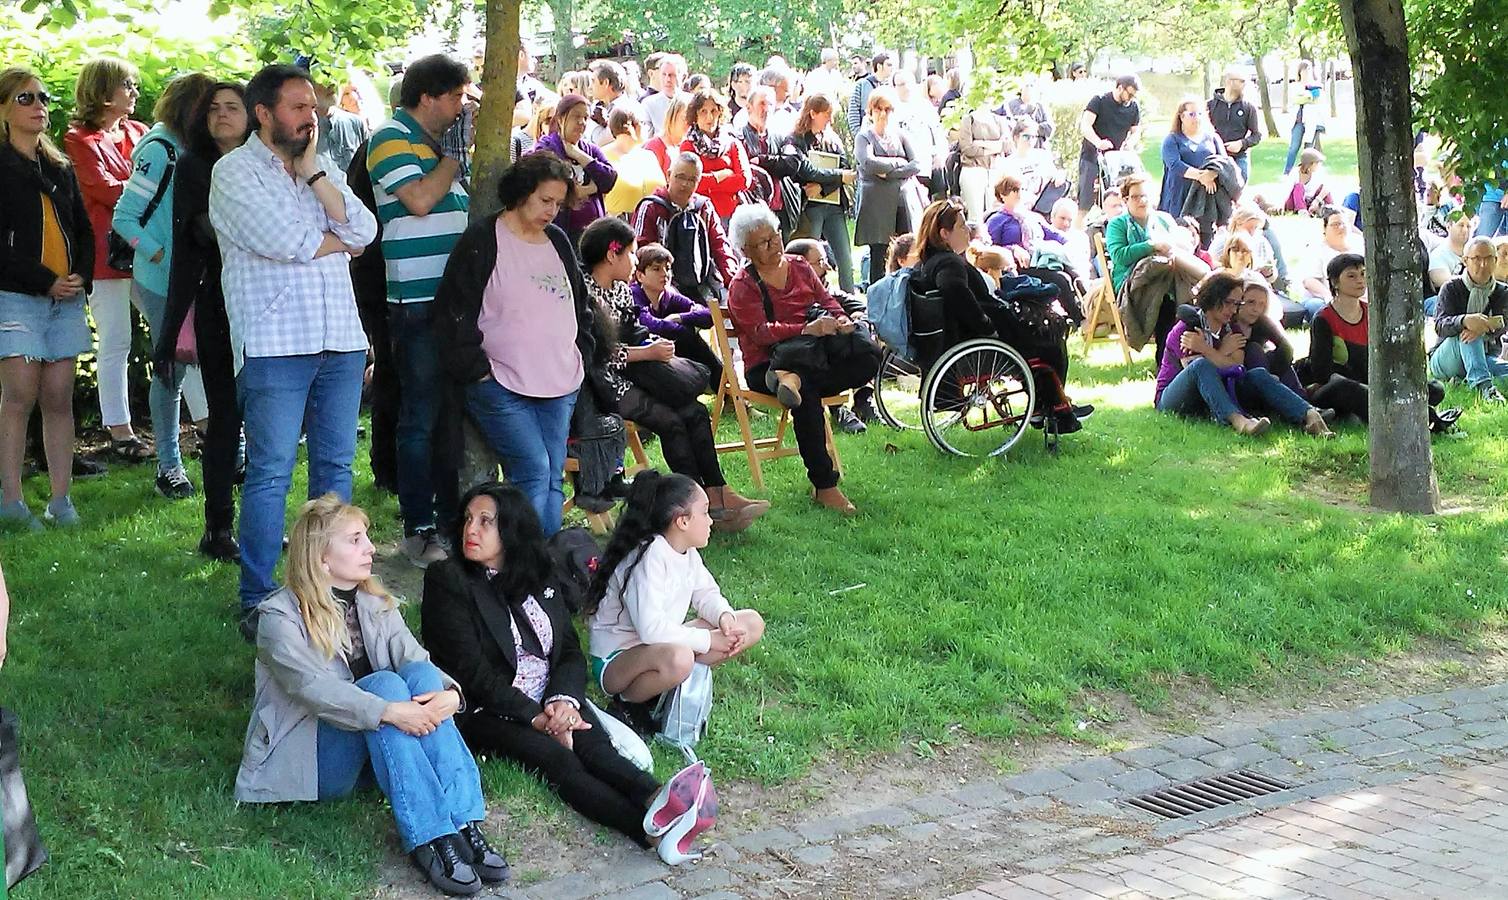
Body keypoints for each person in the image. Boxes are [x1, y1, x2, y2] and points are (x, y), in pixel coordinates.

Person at [420, 482, 715, 865]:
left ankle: (661, 801)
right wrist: (539, 718)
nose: (470, 530)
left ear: (511, 529)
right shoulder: (449, 581)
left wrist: (563, 701)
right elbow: (473, 675)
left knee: (595, 746)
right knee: (559, 761)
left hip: (550, 696)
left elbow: (569, 652)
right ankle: (647, 831)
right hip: (489, 708)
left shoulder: (536, 573)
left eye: (485, 522)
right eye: (468, 519)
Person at [235, 495, 508, 897]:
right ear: (322, 557)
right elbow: (317, 691)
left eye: (367, 538)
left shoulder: (372, 599)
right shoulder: (279, 617)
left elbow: (415, 658)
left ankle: (464, 824)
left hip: (381, 745)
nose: (372, 548)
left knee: (414, 675)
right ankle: (428, 839)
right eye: (356, 539)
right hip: (314, 756)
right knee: (386, 686)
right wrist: (390, 711)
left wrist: (449, 694)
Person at [209, 64, 379, 634]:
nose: (312, 116)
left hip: (341, 340)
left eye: (314, 107)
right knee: (271, 473)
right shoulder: (233, 173)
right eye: (298, 107)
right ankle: (258, 599)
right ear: (264, 113)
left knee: (334, 470)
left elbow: (366, 232)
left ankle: (330, 590)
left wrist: (313, 180)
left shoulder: (320, 165)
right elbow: (289, 242)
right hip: (276, 344)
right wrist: (337, 241)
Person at [432, 152, 594, 535]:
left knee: (552, 474)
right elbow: (453, 312)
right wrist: (478, 373)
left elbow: (580, 303)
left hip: (560, 380)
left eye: (558, 202)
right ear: (521, 193)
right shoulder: (483, 240)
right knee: (533, 470)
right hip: (500, 383)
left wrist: (581, 355)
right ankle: (523, 566)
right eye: (544, 200)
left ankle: (544, 569)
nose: (552, 211)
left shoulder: (558, 241)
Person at [581, 219, 768, 530]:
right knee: (671, 422)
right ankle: (694, 506)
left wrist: (654, 344)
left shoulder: (620, 291)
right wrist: (647, 353)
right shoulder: (583, 294)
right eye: (630, 253)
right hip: (602, 385)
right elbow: (592, 355)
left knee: (695, 413)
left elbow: (635, 330)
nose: (633, 260)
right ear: (611, 255)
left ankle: (718, 492)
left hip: (636, 375)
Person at [367, 54, 473, 569]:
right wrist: (453, 158)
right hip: (417, 302)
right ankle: (419, 527)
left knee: (451, 417)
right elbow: (420, 201)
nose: (461, 107)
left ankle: (452, 519)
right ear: (428, 96)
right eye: (455, 96)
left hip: (453, 301)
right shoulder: (389, 137)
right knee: (421, 418)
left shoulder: (433, 144)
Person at [585, 470, 765, 733]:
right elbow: (651, 629)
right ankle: (629, 703)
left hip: (660, 647)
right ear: (682, 521)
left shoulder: (686, 551)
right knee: (681, 658)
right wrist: (709, 640)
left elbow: (706, 593)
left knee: (750, 622)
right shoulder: (650, 556)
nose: (711, 521)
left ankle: (666, 685)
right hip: (617, 661)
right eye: (704, 512)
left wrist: (724, 618)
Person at [726, 203, 873, 514]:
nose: (774, 245)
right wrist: (807, 328)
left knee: (867, 354)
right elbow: (759, 332)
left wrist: (840, 320)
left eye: (775, 236)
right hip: (765, 363)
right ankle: (825, 485)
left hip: (812, 354)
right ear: (746, 250)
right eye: (763, 243)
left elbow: (827, 300)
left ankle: (791, 377)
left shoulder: (801, 266)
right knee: (806, 397)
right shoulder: (743, 284)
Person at [156, 81, 251, 561]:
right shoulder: (195, 166)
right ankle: (218, 528)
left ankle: (256, 526)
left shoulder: (266, 161)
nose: (221, 115)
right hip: (217, 304)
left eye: (232, 107)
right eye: (213, 108)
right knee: (224, 419)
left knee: (265, 425)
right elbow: (199, 232)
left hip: (262, 306)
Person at [112, 72, 216, 502]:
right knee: (171, 371)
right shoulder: (159, 150)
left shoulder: (197, 149)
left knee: (214, 362)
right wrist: (157, 253)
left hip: (197, 277)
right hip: (163, 282)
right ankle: (169, 466)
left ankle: (232, 449)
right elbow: (124, 217)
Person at [0, 68, 92, 530]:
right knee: (19, 396)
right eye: (25, 98)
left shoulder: (58, 166)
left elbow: (82, 228)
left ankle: (61, 500)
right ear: (3, 110)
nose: (38, 105)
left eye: (43, 97)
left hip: (65, 298)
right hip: (17, 296)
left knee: (59, 396)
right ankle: (12, 502)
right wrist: (43, 280)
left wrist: (80, 276)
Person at [909, 198, 1086, 434]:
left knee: (1043, 335)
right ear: (944, 233)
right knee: (1051, 342)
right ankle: (1054, 409)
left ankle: (1047, 406)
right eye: (961, 227)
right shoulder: (948, 264)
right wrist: (986, 325)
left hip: (970, 335)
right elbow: (955, 292)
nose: (967, 231)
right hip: (982, 338)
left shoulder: (928, 262)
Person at [64, 57, 153, 463]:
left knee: (175, 331)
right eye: (127, 85)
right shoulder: (78, 140)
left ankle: (206, 421)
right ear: (103, 92)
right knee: (116, 341)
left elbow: (150, 181)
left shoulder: (140, 132)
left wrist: (138, 188)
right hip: (106, 256)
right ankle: (121, 431)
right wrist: (145, 188)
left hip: (149, 250)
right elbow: (103, 189)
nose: (134, 92)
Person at [1154, 271, 1332, 437]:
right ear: (1213, 298)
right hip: (1174, 398)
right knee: (1200, 365)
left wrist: (1206, 350)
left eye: (1237, 304)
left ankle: (1309, 414)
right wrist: (1220, 352)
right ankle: (1238, 421)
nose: (1233, 310)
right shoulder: (1188, 327)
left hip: (1215, 393)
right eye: (1228, 303)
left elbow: (1237, 367)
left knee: (1257, 374)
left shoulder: (1232, 328)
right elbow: (1197, 373)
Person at [1303, 253, 1454, 424]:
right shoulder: (1324, 318)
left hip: (1376, 383)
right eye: (1351, 276)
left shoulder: (1373, 313)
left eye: (1363, 274)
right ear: (1335, 282)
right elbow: (1321, 372)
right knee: (1348, 389)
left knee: (1434, 389)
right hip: (1338, 386)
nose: (1360, 280)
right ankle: (1420, 417)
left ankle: (1408, 411)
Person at [1106, 173, 1210, 362]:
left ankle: (1187, 354)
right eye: (1136, 196)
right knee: (1165, 302)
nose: (1142, 200)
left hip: (1169, 280)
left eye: (1145, 195)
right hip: (1135, 284)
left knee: (1181, 299)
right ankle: (1165, 362)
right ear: (1126, 199)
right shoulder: (1118, 224)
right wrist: (1152, 246)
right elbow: (1119, 256)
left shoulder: (1163, 219)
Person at [632, 152, 736, 305]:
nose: (685, 184)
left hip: (702, 281)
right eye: (680, 177)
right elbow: (641, 252)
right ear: (668, 175)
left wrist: (731, 280)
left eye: (692, 180)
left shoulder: (704, 207)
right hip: (660, 286)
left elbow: (720, 245)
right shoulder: (651, 207)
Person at [984, 174, 1084, 324]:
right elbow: (990, 248)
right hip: (1017, 268)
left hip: (1040, 260)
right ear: (1002, 195)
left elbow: (1053, 234)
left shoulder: (1031, 217)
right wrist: (1013, 249)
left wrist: (1073, 244)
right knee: (1061, 279)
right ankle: (1080, 320)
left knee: (1075, 273)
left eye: (1021, 189)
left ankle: (1093, 310)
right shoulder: (996, 220)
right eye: (1014, 190)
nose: (1019, 194)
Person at [783, 94, 858, 293]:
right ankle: (808, 298)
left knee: (845, 259)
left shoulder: (831, 139)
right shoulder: (795, 139)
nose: (830, 119)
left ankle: (849, 301)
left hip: (833, 205)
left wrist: (823, 188)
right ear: (813, 113)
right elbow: (806, 170)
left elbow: (846, 170)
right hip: (811, 207)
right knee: (810, 258)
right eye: (826, 114)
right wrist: (838, 177)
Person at [854, 88, 922, 287]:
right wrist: (899, 163)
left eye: (887, 109)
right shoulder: (864, 137)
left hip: (902, 201)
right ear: (870, 111)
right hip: (877, 204)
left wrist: (888, 171)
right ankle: (877, 293)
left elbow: (916, 164)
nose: (883, 114)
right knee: (879, 253)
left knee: (907, 248)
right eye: (878, 109)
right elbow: (867, 163)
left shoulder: (901, 135)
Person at [1428, 237, 1508, 402]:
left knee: (1503, 372)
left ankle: (1465, 379)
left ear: (1495, 260)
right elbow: (1440, 325)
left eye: (1488, 259)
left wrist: (1482, 326)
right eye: (1477, 259)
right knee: (1470, 333)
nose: (1483, 265)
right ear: (1465, 261)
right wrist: (1464, 321)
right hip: (1447, 355)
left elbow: (1504, 324)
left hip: (1485, 354)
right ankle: (1484, 387)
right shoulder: (1451, 288)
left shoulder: (1503, 292)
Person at [630, 243, 723, 383]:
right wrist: (687, 328)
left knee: (694, 342)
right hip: (642, 358)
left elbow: (709, 315)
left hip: (668, 351)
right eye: (656, 269)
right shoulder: (633, 295)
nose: (664, 274)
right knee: (687, 337)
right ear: (640, 275)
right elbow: (650, 325)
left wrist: (679, 317)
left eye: (667, 268)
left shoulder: (669, 296)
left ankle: (725, 389)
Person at [535, 95, 617, 240]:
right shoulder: (546, 146)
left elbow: (609, 179)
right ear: (560, 119)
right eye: (576, 116)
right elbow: (554, 183)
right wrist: (590, 187)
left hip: (593, 235)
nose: (581, 122)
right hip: (562, 233)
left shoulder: (589, 149)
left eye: (585, 117)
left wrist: (579, 156)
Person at [1076, 74, 1142, 225]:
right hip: (1092, 158)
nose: (1131, 98)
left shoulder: (1133, 107)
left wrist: (1130, 143)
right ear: (1120, 87)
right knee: (1085, 202)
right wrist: (1098, 142)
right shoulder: (1099, 101)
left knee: (1117, 201)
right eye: (1129, 94)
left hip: (1116, 162)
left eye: (1134, 95)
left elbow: (1136, 131)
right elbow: (1085, 125)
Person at [679, 89, 749, 223]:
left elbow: (744, 180)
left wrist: (708, 182)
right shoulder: (688, 146)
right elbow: (691, 183)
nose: (709, 117)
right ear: (695, 115)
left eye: (714, 111)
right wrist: (720, 176)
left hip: (731, 215)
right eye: (703, 112)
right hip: (700, 215)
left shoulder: (732, 143)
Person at [1158, 98, 1223, 220]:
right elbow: (1175, 165)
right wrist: (1202, 176)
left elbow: (1225, 163)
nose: (1197, 118)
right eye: (1192, 114)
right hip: (1179, 194)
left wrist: (1211, 174)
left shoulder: (1213, 138)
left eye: (1200, 114)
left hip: (1207, 196)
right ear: (1182, 117)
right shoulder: (1172, 140)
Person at [1298, 206, 1363, 321]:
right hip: (1325, 297)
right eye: (1335, 224)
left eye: (1344, 224)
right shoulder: (1316, 248)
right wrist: (1330, 296)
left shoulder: (1360, 243)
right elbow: (1309, 281)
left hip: (1359, 297)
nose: (1341, 227)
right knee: (1317, 307)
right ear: (1324, 228)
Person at [600, 106, 665, 217]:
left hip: (652, 223)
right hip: (618, 227)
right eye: (643, 123)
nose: (646, 128)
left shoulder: (648, 156)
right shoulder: (603, 156)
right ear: (630, 126)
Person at [1206, 69, 1262, 184]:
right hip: (1215, 157)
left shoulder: (1248, 107)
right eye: (1241, 81)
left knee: (1238, 191)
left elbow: (1256, 135)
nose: (1244, 84)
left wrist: (1241, 144)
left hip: (1239, 157)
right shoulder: (1210, 105)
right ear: (1229, 82)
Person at [957, 103, 1007, 226]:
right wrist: (995, 147)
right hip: (973, 169)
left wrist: (980, 143)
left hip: (994, 170)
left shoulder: (999, 120)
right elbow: (967, 148)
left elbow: (1007, 145)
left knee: (995, 213)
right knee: (975, 216)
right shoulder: (968, 120)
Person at [314, 80, 368, 174]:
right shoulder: (301, 129)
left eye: (336, 77)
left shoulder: (356, 123)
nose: (331, 84)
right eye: (322, 79)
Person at [1283, 60, 1325, 175]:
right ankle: (1287, 172)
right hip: (1298, 121)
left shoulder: (1317, 85)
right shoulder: (1295, 86)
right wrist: (1308, 97)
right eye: (1304, 70)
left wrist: (1307, 97)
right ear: (1299, 72)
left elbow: (1317, 99)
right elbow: (1295, 99)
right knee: (1294, 147)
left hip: (1311, 120)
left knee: (1309, 148)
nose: (1306, 72)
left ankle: (1307, 172)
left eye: (1308, 70)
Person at [587, 59, 637, 145]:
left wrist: (588, 121)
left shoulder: (627, 109)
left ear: (606, 83)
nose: (590, 86)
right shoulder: (595, 107)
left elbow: (601, 140)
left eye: (593, 81)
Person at [643, 92, 692, 177]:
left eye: (692, 119)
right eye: (684, 118)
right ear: (672, 115)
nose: (688, 123)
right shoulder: (654, 146)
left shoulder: (687, 146)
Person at [1427, 210, 1474, 294]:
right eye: (1461, 225)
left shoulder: (1476, 252)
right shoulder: (1438, 255)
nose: (1465, 230)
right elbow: (1445, 284)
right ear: (1448, 227)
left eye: (1468, 226)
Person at [847, 51, 893, 132]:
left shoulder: (890, 87)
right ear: (879, 66)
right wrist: (859, 135)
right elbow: (853, 113)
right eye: (888, 65)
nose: (891, 68)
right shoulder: (861, 85)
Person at [643, 54, 686, 139]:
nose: (667, 80)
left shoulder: (692, 102)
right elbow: (645, 138)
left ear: (684, 77)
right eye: (664, 74)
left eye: (672, 75)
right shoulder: (648, 104)